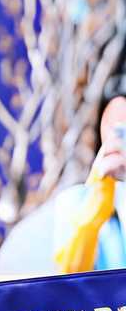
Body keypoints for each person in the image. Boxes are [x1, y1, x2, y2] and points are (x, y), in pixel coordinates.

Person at [55, 76, 126, 271]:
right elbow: (69, 275)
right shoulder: (73, 200)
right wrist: (100, 196)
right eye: (113, 125)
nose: (117, 136)